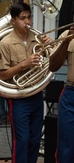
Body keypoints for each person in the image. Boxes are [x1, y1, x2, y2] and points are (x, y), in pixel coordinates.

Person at [0, 3, 51, 163]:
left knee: (34, 140)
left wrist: (50, 46)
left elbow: (52, 63)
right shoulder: (5, 43)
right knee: (22, 140)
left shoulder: (37, 39)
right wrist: (24, 64)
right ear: (13, 21)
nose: (27, 22)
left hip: (37, 95)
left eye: (29, 17)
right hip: (18, 98)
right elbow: (2, 74)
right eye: (22, 18)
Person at [48, 25, 74, 163]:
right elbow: (53, 66)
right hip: (71, 95)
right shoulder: (67, 34)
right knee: (66, 147)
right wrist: (65, 42)